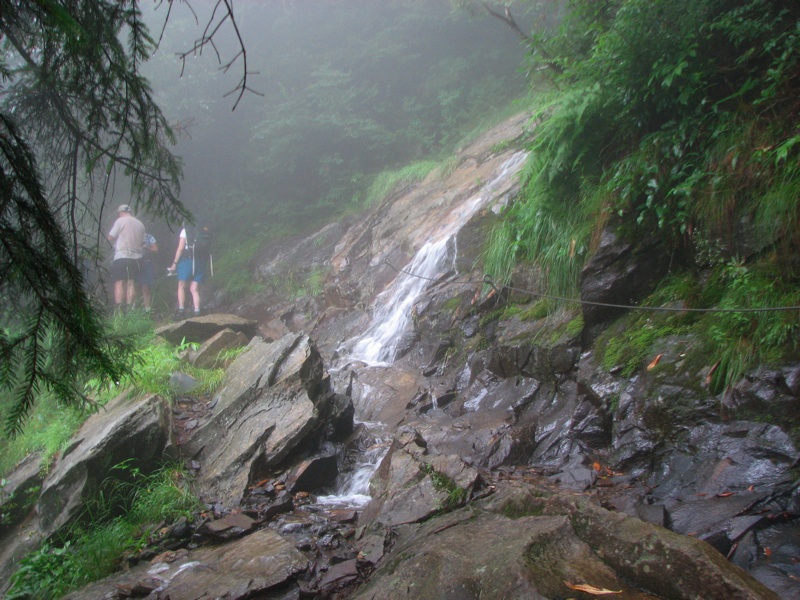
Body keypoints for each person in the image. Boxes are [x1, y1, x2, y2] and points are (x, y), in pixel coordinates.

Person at [107, 204, 145, 314]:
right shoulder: (140, 224)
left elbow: (111, 237)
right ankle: (129, 311)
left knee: (119, 283)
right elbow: (142, 242)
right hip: (137, 257)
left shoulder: (120, 221)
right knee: (131, 283)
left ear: (120, 213)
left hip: (122, 256)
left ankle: (119, 311)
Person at [167, 222, 205, 319]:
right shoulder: (202, 230)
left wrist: (174, 264)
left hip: (188, 260)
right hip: (201, 261)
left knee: (181, 286)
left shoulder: (185, 231)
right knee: (194, 289)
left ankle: (181, 310)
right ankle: (197, 311)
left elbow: (180, 248)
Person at [140, 231, 158, 313]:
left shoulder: (149, 237)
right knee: (132, 285)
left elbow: (155, 250)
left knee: (146, 286)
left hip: (146, 262)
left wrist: (147, 248)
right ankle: (131, 308)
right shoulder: (133, 236)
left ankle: (147, 309)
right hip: (134, 262)